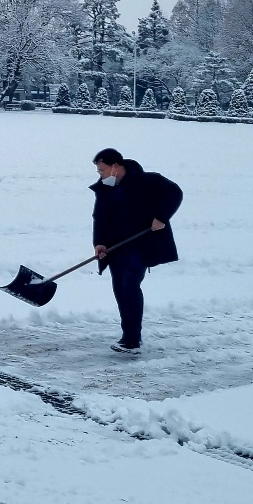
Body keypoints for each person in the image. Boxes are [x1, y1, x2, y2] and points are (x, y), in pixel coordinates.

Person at [90, 148, 182, 355]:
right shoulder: (105, 189)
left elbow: (175, 193)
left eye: (102, 170)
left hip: (141, 245)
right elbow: (99, 218)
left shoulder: (149, 181)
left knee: (130, 285)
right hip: (116, 247)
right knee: (120, 290)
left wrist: (161, 217)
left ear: (115, 166)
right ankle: (128, 335)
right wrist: (99, 243)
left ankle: (132, 339)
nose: (100, 175)